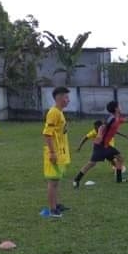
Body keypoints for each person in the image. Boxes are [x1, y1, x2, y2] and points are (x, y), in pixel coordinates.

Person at [72, 100, 128, 187]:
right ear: (116, 108)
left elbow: (124, 121)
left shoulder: (116, 117)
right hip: (100, 145)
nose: (121, 107)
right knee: (91, 163)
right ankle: (76, 180)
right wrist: (99, 135)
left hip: (107, 146)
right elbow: (102, 127)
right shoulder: (111, 118)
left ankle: (119, 179)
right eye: (119, 105)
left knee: (120, 158)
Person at [41, 86, 71, 217]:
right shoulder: (53, 112)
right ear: (59, 98)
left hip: (60, 152)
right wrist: (52, 153)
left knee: (56, 181)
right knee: (52, 182)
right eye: (66, 97)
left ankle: (56, 204)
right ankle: (52, 210)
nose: (68, 100)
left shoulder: (59, 112)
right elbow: (47, 134)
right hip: (54, 153)